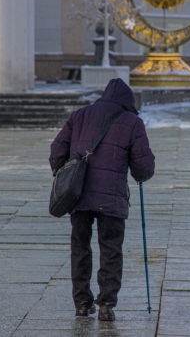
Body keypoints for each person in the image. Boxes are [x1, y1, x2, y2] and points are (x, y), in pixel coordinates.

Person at [49, 78, 155, 321]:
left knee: (80, 247)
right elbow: (144, 167)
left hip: (78, 194)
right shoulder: (132, 122)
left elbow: (56, 151)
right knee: (110, 249)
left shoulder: (79, 115)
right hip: (112, 199)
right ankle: (106, 304)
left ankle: (83, 303)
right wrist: (141, 174)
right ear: (128, 102)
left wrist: (63, 173)